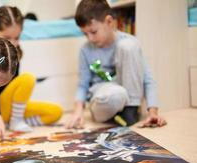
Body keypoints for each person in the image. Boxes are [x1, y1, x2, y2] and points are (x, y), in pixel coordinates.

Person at [66, 0, 167, 129]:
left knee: (129, 46)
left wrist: (153, 112)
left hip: (129, 97)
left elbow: (147, 78)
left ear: (109, 21)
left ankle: (130, 110)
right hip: (103, 96)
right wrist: (77, 111)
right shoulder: (85, 50)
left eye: (93, 32)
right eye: (85, 34)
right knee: (116, 94)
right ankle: (123, 114)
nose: (90, 38)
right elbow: (82, 84)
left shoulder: (131, 42)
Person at [0, 6, 63, 137]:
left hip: (10, 109)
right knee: (28, 78)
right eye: (7, 38)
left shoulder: (14, 55)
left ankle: (14, 122)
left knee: (55, 112)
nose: (13, 43)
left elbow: (14, 85)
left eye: (16, 38)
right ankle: (14, 121)